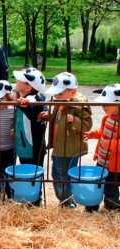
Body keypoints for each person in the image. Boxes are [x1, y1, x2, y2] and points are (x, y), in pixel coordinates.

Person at [45, 72, 93, 208]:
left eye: (60, 94)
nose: (56, 97)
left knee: (63, 177)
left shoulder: (78, 105)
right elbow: (57, 117)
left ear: (73, 92)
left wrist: (75, 121)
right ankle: (65, 201)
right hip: (58, 146)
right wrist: (47, 116)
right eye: (56, 94)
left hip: (69, 148)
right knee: (57, 174)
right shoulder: (61, 101)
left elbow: (87, 124)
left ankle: (67, 203)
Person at [12, 67, 48, 206]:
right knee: (29, 172)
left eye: (20, 80)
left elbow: (34, 113)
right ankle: (30, 199)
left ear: (28, 87)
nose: (16, 80)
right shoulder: (26, 97)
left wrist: (26, 106)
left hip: (32, 146)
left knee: (33, 173)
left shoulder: (34, 99)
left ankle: (34, 201)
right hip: (25, 144)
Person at [83, 84, 120, 212]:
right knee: (97, 184)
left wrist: (112, 144)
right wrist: (93, 134)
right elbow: (103, 131)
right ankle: (92, 206)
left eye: (107, 104)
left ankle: (112, 208)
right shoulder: (107, 117)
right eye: (102, 104)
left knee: (111, 187)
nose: (103, 107)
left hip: (114, 165)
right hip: (102, 159)